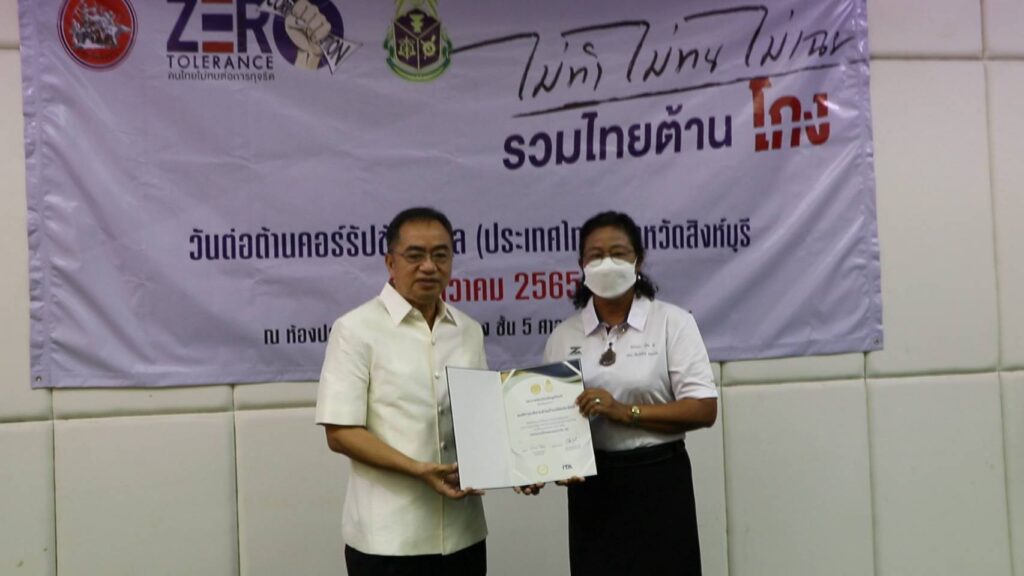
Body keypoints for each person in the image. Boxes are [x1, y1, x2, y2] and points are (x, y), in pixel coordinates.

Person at [542, 211, 718, 575]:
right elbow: (549, 422)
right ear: (581, 264)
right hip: (593, 491)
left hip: (659, 481)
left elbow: (704, 409)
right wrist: (541, 465)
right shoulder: (563, 336)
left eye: (618, 253)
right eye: (596, 255)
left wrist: (626, 411)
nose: (607, 263)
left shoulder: (672, 322)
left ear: (638, 260)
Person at [315, 207, 488, 576]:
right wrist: (417, 470)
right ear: (390, 262)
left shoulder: (468, 330)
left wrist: (525, 466)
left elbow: (483, 421)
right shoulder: (355, 329)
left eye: (440, 255)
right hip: (388, 539)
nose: (429, 267)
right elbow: (340, 433)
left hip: (464, 534)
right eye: (415, 255)